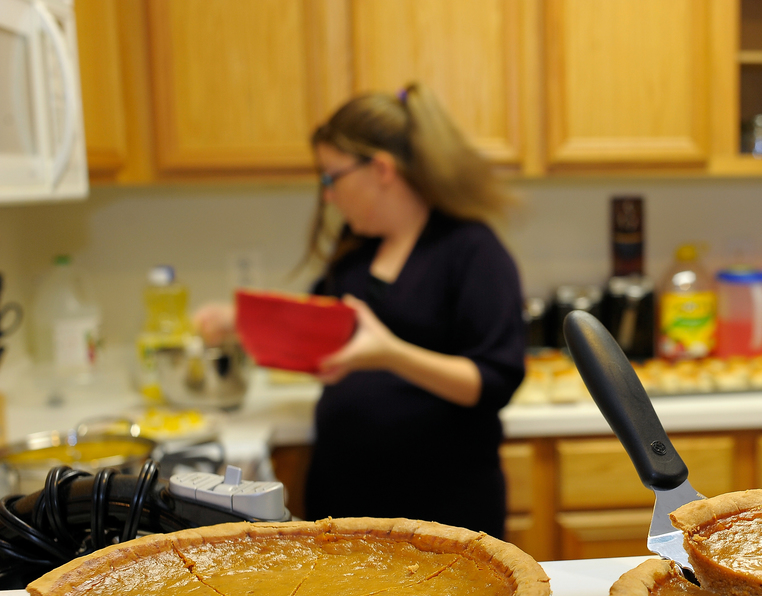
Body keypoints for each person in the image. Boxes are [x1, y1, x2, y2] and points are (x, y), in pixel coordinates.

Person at [196, 85, 526, 538]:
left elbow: (493, 381)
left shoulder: (471, 250)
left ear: (381, 169)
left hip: (443, 508)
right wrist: (239, 324)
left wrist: (391, 353)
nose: (327, 195)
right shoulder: (355, 252)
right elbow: (317, 329)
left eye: (331, 176)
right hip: (345, 498)